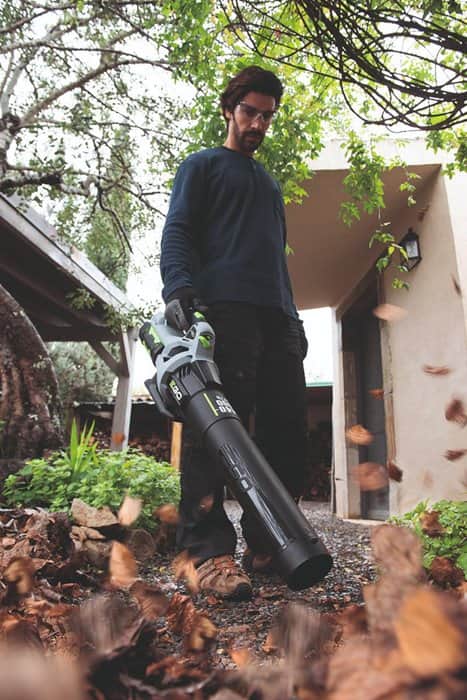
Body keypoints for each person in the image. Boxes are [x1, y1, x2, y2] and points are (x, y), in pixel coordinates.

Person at [160, 66, 308, 601]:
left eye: (267, 115)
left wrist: (293, 317)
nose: (258, 124)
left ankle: (267, 545)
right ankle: (208, 554)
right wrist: (178, 289)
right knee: (216, 435)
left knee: (287, 437)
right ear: (229, 110)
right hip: (223, 311)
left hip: (276, 318)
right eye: (249, 112)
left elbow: (274, 260)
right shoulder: (202, 165)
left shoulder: (269, 184)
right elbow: (178, 230)